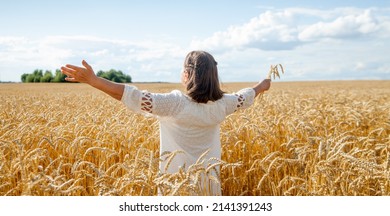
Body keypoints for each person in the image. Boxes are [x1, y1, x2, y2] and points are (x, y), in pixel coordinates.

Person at [60, 50, 271, 195]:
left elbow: (132, 95)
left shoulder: (175, 103)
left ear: (187, 74)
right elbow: (245, 96)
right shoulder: (224, 104)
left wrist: (95, 81)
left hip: (174, 187)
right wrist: (262, 85)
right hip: (209, 185)